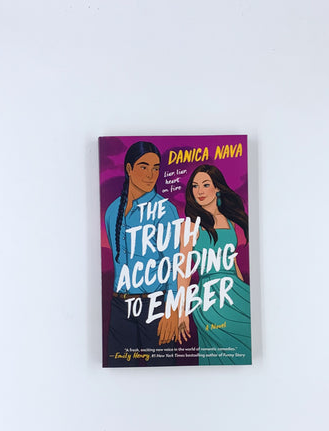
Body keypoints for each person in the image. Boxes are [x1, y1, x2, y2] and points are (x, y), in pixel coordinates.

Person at [104, 141, 179, 365]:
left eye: (156, 168)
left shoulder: (165, 210)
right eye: (144, 166)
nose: (150, 174)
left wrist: (171, 310)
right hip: (120, 307)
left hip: (155, 307)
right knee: (118, 371)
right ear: (129, 169)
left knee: (162, 372)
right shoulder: (112, 211)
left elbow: (174, 264)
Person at [178, 164, 251, 365]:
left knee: (245, 350)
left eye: (205, 185)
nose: (199, 191)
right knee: (219, 355)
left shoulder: (230, 223)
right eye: (195, 186)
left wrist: (244, 293)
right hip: (209, 298)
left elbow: (233, 264)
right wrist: (182, 311)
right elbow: (183, 270)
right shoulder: (189, 225)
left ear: (217, 187)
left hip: (236, 292)